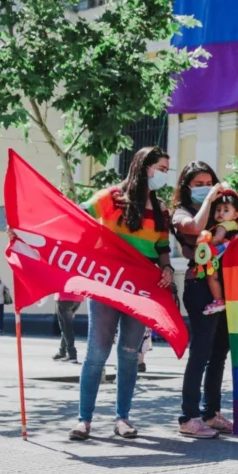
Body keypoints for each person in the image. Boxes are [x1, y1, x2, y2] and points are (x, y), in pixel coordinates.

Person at [67, 146, 174, 441]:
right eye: (161, 169)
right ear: (144, 167)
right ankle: (84, 421)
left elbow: (162, 248)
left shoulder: (162, 209)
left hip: (140, 288)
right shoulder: (111, 198)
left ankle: (122, 419)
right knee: (96, 353)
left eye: (167, 170)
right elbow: (75, 214)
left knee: (129, 356)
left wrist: (166, 269)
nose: (165, 175)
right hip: (106, 283)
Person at [172, 161, 232, 439]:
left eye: (209, 182)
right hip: (199, 288)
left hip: (224, 287)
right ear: (186, 187)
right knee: (201, 351)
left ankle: (211, 412)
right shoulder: (181, 213)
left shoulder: (219, 213)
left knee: (220, 352)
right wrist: (210, 197)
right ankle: (189, 416)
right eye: (198, 184)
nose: (205, 187)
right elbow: (195, 228)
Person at [195, 190, 238, 314]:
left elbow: (217, 239)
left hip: (221, 258)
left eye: (226, 210)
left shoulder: (222, 226)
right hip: (232, 260)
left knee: (211, 277)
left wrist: (203, 244)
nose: (221, 213)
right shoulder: (235, 226)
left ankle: (218, 300)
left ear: (236, 215)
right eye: (218, 209)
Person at [53, 292, 83, 363]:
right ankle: (62, 351)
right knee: (66, 326)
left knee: (66, 328)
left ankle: (71, 354)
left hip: (64, 298)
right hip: (77, 298)